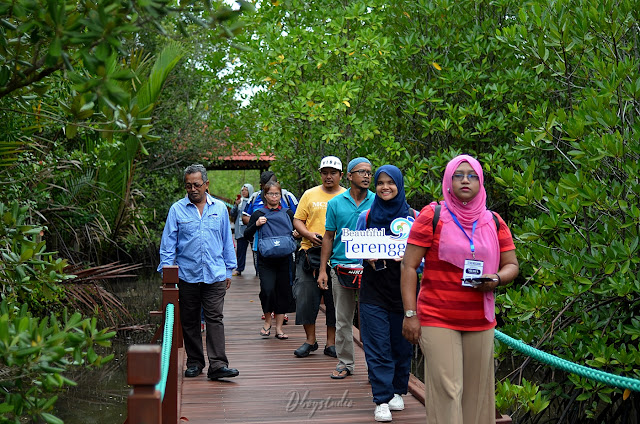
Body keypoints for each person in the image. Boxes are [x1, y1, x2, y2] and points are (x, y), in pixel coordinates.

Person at [400, 154, 519, 424]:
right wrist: (410, 314)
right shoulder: (432, 216)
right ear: (448, 180)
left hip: (480, 319)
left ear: (481, 182)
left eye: (472, 176)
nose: (466, 180)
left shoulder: (494, 221)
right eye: (459, 175)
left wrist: (496, 278)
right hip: (438, 316)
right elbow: (408, 266)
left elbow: (511, 265)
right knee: (448, 391)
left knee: (478, 396)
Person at [158, 164, 239, 380]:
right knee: (190, 319)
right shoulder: (177, 209)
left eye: (196, 185)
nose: (192, 189)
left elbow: (226, 241)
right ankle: (195, 362)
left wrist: (228, 270)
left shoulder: (219, 208)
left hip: (214, 273)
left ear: (206, 184)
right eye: (188, 186)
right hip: (187, 274)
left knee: (215, 318)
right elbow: (168, 245)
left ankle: (218, 365)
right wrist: (167, 275)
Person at [354, 165, 415, 422]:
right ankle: (381, 399)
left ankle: (398, 391)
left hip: (405, 292)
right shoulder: (366, 216)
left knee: (401, 345)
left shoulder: (414, 217)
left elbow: (426, 258)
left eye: (390, 182)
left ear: (399, 185)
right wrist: (365, 256)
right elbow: (354, 250)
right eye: (380, 183)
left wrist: (410, 260)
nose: (385, 187)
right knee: (377, 346)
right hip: (373, 292)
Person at [318, 157, 375, 378]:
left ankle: (374, 368)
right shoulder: (335, 203)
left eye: (369, 172)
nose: (366, 176)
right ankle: (345, 363)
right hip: (341, 268)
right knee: (342, 319)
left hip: (371, 269)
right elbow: (328, 237)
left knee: (371, 320)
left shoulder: (377, 201)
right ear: (349, 176)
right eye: (361, 172)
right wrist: (323, 270)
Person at [291, 156, 345, 358]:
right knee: (305, 296)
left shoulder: (347, 196)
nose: (328, 176)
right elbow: (298, 219)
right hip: (309, 253)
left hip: (338, 255)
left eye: (333, 173)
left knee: (335, 300)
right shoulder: (310, 194)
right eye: (325, 173)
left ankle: (331, 343)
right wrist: (307, 233)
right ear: (320, 174)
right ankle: (310, 340)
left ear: (341, 175)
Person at [243, 180, 296, 340]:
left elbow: (296, 232)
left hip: (285, 258)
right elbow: (246, 234)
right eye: (271, 194)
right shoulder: (258, 213)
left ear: (280, 195)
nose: (274, 197)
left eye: (277, 194)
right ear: (265, 195)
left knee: (283, 291)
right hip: (265, 259)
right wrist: (256, 224)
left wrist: (297, 234)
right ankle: (267, 322)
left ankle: (279, 328)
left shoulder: (288, 213)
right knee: (267, 290)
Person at [229, 183, 254, 276]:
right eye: (242, 190)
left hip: (251, 230)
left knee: (255, 250)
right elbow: (232, 214)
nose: (244, 192)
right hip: (240, 230)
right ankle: (239, 269)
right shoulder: (239, 202)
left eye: (246, 190)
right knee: (240, 251)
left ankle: (258, 270)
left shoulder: (253, 201)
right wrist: (236, 205)